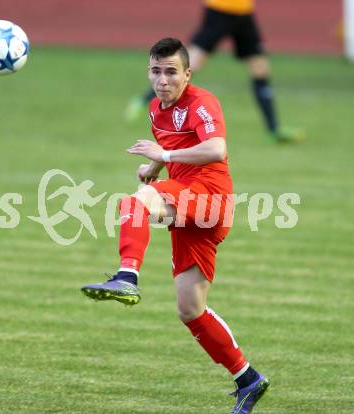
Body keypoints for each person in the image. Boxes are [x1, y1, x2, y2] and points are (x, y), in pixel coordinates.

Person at [82, 38, 270, 413]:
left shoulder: (202, 102)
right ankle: (248, 379)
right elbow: (169, 147)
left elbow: (215, 149)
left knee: (135, 202)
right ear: (148, 72)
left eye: (171, 72)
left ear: (188, 73)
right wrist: (153, 167)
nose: (163, 80)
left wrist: (162, 156)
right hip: (188, 202)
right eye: (156, 71)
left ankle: (127, 277)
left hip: (209, 197)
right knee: (190, 308)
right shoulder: (156, 109)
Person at [125, 0, 303, 143]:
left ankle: (274, 130)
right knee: (192, 64)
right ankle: (144, 100)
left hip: (244, 13)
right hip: (220, 10)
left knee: (260, 69)